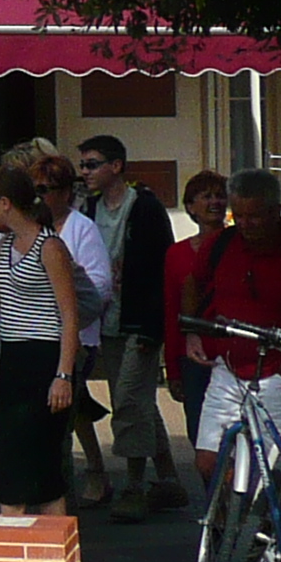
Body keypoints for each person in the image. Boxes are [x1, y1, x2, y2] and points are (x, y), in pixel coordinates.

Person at [181, 169, 281, 484]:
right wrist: (193, 332)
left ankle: (271, 526)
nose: (245, 224)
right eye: (237, 215)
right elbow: (192, 284)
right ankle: (227, 528)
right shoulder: (222, 244)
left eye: (254, 216)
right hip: (228, 369)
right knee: (207, 462)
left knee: (272, 471)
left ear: (274, 210)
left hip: (279, 374)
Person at [77, 134, 187, 523]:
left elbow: (163, 267)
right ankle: (170, 478)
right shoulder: (88, 208)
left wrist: (154, 324)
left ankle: (135, 484)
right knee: (138, 400)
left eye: (92, 164)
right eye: (83, 165)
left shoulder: (144, 207)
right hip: (104, 320)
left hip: (138, 319)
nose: (85, 172)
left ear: (116, 166)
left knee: (127, 401)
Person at [0, 165, 79, 514]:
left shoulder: (49, 246)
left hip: (44, 356)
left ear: (5, 203)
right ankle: (19, 539)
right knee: (10, 456)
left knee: (39, 462)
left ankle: (39, 541)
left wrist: (63, 375)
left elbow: (69, 315)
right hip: (13, 357)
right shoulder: (5, 247)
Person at [34, 152, 115, 505]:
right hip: (36, 336)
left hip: (76, 337)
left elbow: (99, 287)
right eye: (34, 188)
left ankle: (68, 487)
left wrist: (66, 307)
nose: (40, 196)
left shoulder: (82, 229)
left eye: (47, 189)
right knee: (71, 410)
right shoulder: (28, 227)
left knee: (65, 413)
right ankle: (89, 470)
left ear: (66, 192)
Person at [160, 171, 230, 449]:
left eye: (220, 195)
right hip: (194, 358)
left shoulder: (240, 244)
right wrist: (174, 370)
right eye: (206, 196)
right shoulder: (176, 254)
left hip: (233, 352)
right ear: (190, 206)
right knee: (201, 437)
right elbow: (171, 310)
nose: (215, 202)